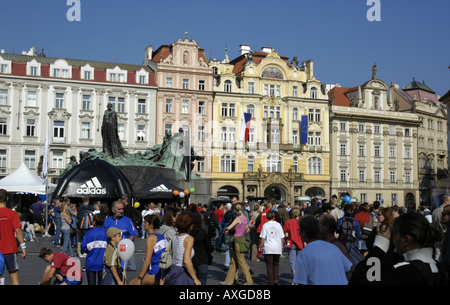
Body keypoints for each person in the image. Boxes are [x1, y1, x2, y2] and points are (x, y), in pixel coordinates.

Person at [350, 211, 448, 285]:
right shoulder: (441, 270)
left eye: (395, 235)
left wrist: (379, 248)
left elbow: (358, 281)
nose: (393, 240)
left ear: (406, 240)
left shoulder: (400, 273)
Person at [294, 215, 353, 285]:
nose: (299, 233)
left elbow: (301, 282)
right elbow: (349, 271)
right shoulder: (333, 247)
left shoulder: (303, 254)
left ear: (304, 232)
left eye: (299, 230)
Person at [162, 211, 201, 285]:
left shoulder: (175, 237)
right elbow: (186, 260)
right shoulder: (189, 238)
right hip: (183, 272)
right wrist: (195, 279)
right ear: (189, 225)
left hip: (173, 270)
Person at [220, 203, 253, 285]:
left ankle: (248, 281)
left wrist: (225, 230)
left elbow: (229, 227)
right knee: (233, 261)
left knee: (241, 261)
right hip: (241, 238)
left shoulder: (238, 218)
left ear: (235, 210)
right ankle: (228, 280)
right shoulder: (245, 218)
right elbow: (245, 228)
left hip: (237, 240)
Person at [130, 214, 167, 285]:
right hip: (163, 270)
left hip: (156, 271)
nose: (143, 224)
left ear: (151, 225)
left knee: (132, 283)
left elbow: (147, 260)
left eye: (145, 222)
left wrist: (140, 278)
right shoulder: (161, 236)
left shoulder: (151, 238)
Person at [0, 189, 27, 285]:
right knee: (14, 277)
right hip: (10, 249)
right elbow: (18, 231)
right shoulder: (12, 213)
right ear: (7, 199)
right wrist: (23, 247)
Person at [103, 201, 138, 271]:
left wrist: (124, 243)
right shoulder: (107, 221)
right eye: (119, 209)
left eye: (122, 209)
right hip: (111, 249)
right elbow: (104, 235)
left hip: (123, 249)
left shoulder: (127, 220)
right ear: (113, 210)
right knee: (110, 270)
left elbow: (133, 235)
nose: (121, 211)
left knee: (122, 272)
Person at [80, 214, 107, 285]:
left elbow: (83, 246)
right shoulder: (106, 233)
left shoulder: (89, 233)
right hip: (103, 262)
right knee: (102, 282)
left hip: (91, 262)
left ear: (94, 222)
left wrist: (90, 250)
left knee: (91, 283)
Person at [189, 210, 214, 285]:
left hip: (191, 262)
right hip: (201, 261)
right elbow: (210, 248)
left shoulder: (188, 234)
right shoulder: (202, 233)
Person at [259, 210, 284, 285]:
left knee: (269, 265)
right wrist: (282, 245)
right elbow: (282, 236)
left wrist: (261, 245)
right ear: (274, 216)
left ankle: (271, 282)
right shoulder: (278, 225)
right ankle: (276, 278)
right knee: (276, 264)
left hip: (268, 247)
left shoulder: (265, 225)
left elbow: (263, 237)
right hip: (277, 247)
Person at [284, 207, 304, 276]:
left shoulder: (288, 222)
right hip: (300, 243)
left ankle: (295, 278)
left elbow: (286, 234)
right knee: (300, 262)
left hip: (292, 243)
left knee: (293, 262)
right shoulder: (302, 222)